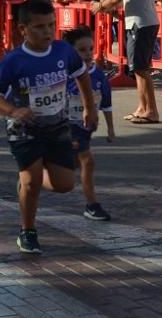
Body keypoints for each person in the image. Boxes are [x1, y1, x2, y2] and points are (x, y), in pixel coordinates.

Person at [0, 0, 97, 255]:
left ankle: (29, 179)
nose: (47, 31)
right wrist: (14, 111)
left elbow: (81, 74)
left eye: (51, 25)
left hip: (57, 125)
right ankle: (28, 230)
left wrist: (90, 108)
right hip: (24, 128)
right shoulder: (13, 60)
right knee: (32, 181)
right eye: (39, 27)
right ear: (22, 29)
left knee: (65, 185)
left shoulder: (63, 51)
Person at [92, 0, 160, 124]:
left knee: (141, 69)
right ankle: (143, 107)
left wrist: (100, 7)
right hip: (143, 20)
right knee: (139, 69)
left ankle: (151, 111)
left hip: (140, 23)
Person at [62, 26, 113, 221]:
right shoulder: (65, 75)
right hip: (68, 125)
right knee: (87, 160)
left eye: (90, 49)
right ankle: (92, 205)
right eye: (82, 50)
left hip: (87, 127)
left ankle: (35, 178)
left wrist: (110, 128)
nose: (88, 54)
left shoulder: (98, 75)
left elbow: (106, 103)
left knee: (71, 166)